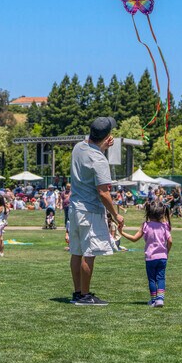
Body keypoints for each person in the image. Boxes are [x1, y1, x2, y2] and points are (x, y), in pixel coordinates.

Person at [69, 116, 123, 306]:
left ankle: (77, 293)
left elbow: (88, 153)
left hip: (74, 208)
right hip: (90, 210)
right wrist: (116, 215)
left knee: (76, 252)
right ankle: (85, 296)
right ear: (107, 136)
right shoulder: (100, 160)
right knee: (89, 253)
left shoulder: (78, 147)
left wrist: (101, 147)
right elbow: (103, 193)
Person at [118, 201, 172, 307]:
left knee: (152, 279)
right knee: (161, 278)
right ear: (162, 213)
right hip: (163, 257)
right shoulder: (165, 226)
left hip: (150, 258)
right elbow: (170, 241)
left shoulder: (146, 225)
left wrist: (121, 232)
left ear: (148, 212)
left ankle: (153, 300)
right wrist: (166, 252)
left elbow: (134, 239)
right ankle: (160, 299)